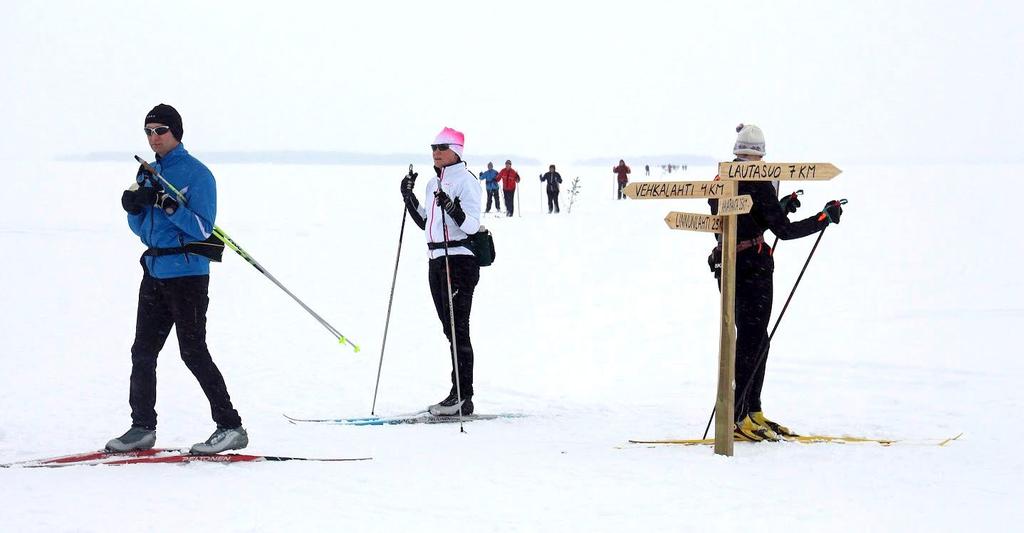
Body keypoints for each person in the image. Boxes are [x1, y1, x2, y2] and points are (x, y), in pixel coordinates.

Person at [108, 104, 247, 455]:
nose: (154, 138)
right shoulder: (148, 172)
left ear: (176, 132)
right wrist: (136, 208)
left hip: (187, 276)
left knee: (192, 351)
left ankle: (230, 426)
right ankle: (142, 428)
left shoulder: (198, 175)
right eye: (148, 132)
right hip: (154, 272)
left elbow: (202, 227)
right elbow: (144, 232)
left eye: (160, 131)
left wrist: (167, 203)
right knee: (142, 352)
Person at [708, 123, 844, 442]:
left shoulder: (722, 178)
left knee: (753, 338)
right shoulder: (757, 179)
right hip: (753, 269)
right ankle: (740, 415)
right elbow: (784, 231)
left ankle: (750, 411)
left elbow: (740, 221)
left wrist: (778, 207)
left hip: (727, 266)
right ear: (761, 154)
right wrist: (822, 219)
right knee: (754, 340)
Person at [400, 127, 482, 416]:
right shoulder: (433, 182)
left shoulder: (466, 182)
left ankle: (462, 396)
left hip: (458, 259)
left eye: (442, 147)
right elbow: (426, 223)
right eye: (433, 147)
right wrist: (408, 197)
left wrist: (452, 209)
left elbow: (472, 225)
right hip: (436, 259)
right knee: (449, 328)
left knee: (458, 327)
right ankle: (458, 394)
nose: (435, 152)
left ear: (457, 151)